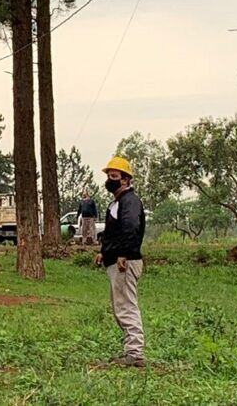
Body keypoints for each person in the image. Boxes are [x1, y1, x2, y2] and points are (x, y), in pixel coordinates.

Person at [94, 157, 146, 368]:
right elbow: (113, 232)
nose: (109, 179)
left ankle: (135, 352)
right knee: (121, 306)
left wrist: (123, 253)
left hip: (125, 261)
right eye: (108, 176)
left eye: (114, 176)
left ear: (126, 180)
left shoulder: (130, 202)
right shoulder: (117, 203)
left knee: (126, 306)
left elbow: (131, 228)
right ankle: (131, 351)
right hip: (116, 260)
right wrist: (103, 252)